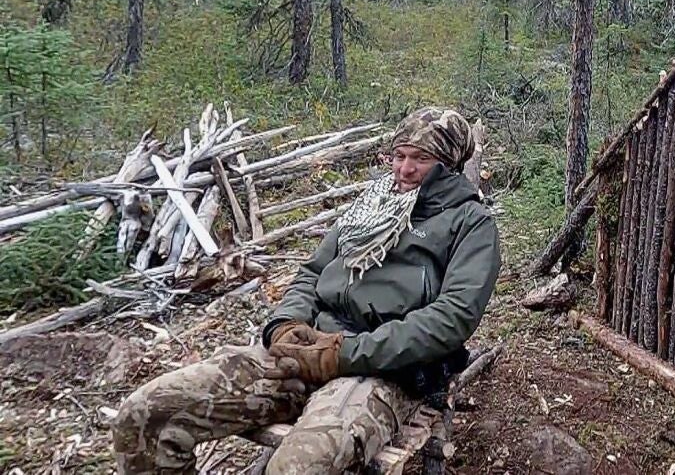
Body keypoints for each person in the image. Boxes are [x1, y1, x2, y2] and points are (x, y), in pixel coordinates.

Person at [112, 107, 501, 475]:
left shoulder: (470, 223)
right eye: (399, 155)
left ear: (447, 165)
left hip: (386, 370)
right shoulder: (373, 203)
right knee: (147, 414)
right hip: (309, 350)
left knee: (298, 467)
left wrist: (344, 354)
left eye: (420, 158)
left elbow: (452, 318)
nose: (405, 168)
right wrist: (284, 325)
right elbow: (313, 272)